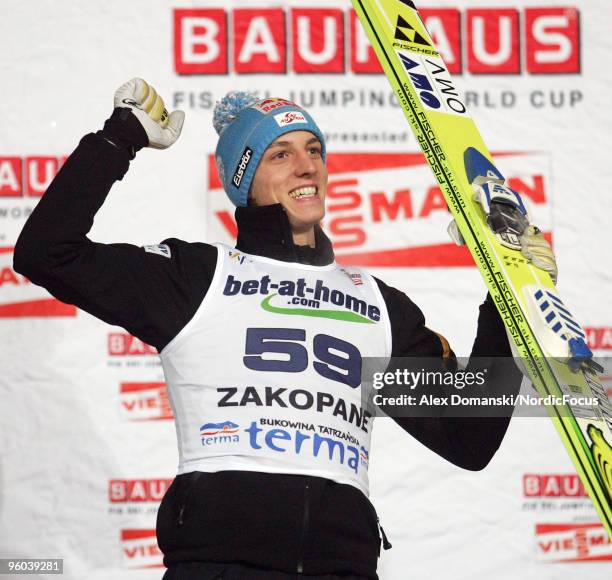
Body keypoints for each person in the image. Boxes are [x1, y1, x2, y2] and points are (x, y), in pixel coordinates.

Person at [14, 79, 556, 579]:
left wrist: (505, 295)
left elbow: (469, 434)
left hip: (340, 567)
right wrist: (119, 141)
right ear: (244, 179)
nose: (307, 166)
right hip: (220, 564)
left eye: (314, 150)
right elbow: (46, 252)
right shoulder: (197, 279)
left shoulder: (374, 303)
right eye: (282, 153)